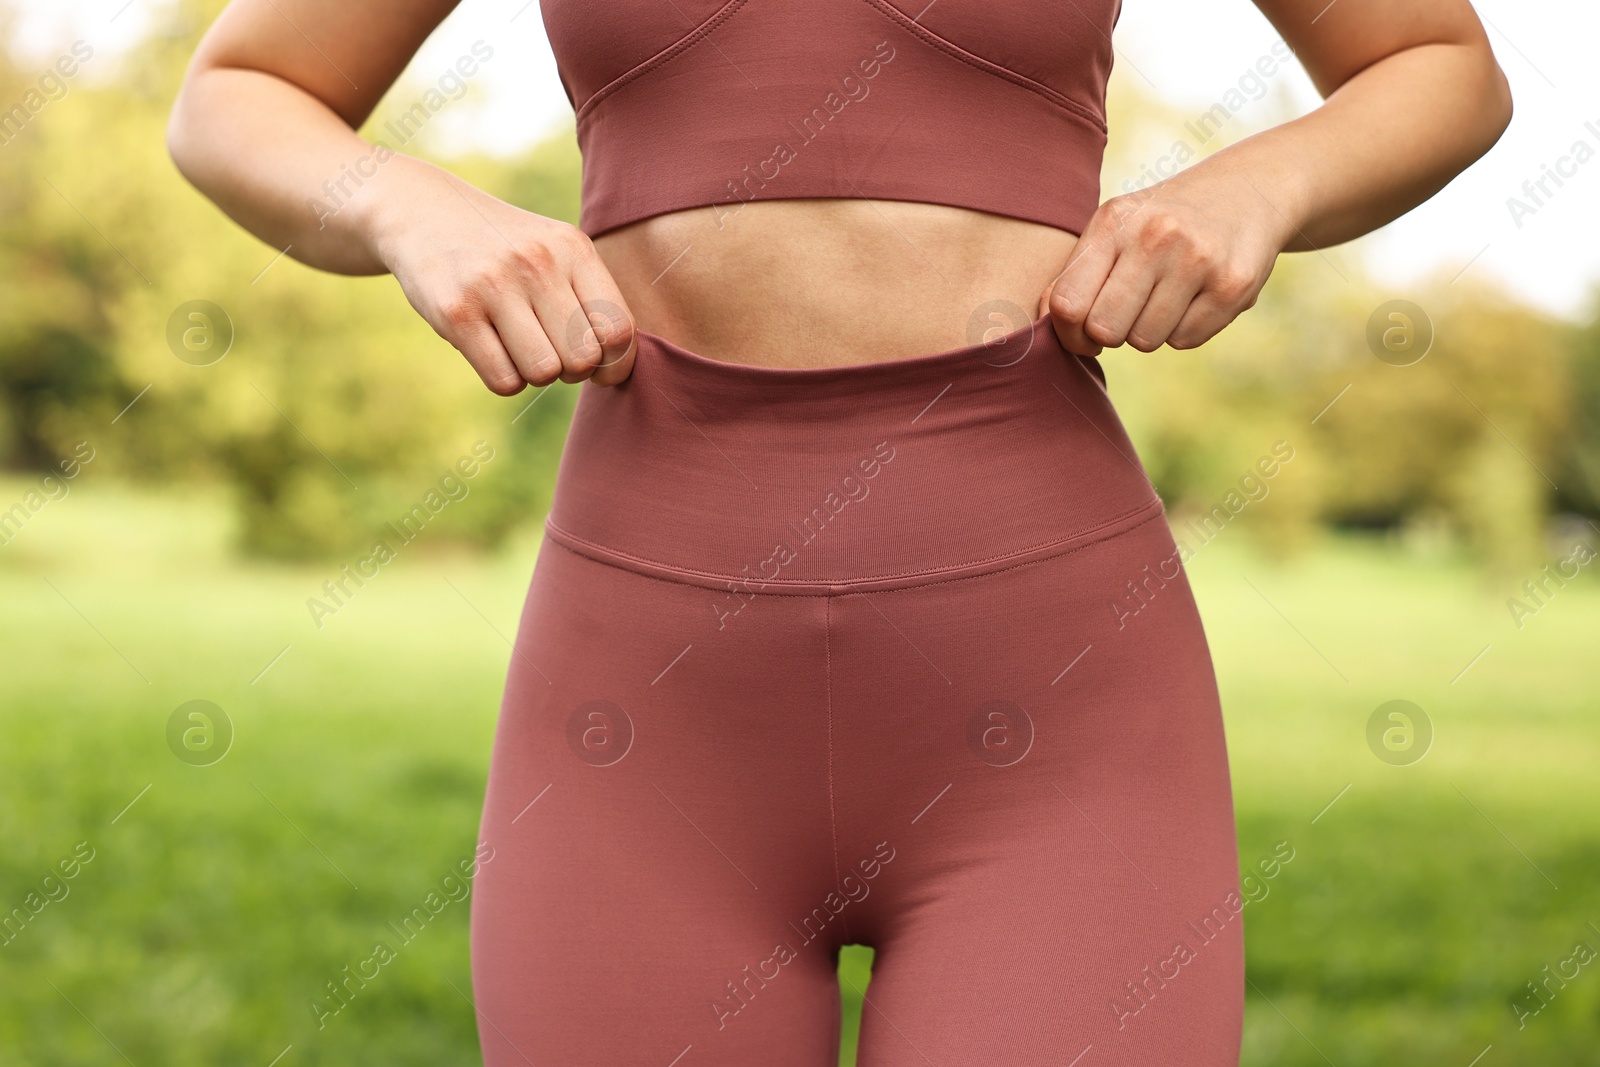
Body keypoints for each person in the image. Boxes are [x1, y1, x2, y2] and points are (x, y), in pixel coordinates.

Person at [167, 1, 1511, 1063]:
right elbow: (239, 94)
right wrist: (403, 200)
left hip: (1052, 706)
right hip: (648, 710)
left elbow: (1435, 60)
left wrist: (1254, 188)